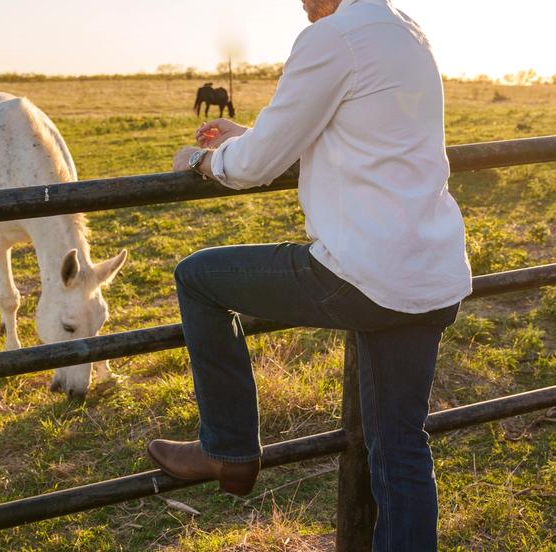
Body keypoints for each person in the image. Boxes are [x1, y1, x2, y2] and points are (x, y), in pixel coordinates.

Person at [147, 0, 472, 550]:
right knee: (400, 447)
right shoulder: (406, 32)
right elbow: (347, 135)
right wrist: (246, 134)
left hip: (362, 272)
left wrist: (203, 161)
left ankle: (228, 449)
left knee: (198, 277)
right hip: (428, 272)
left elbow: (253, 166)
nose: (298, 1)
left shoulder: (333, 37)